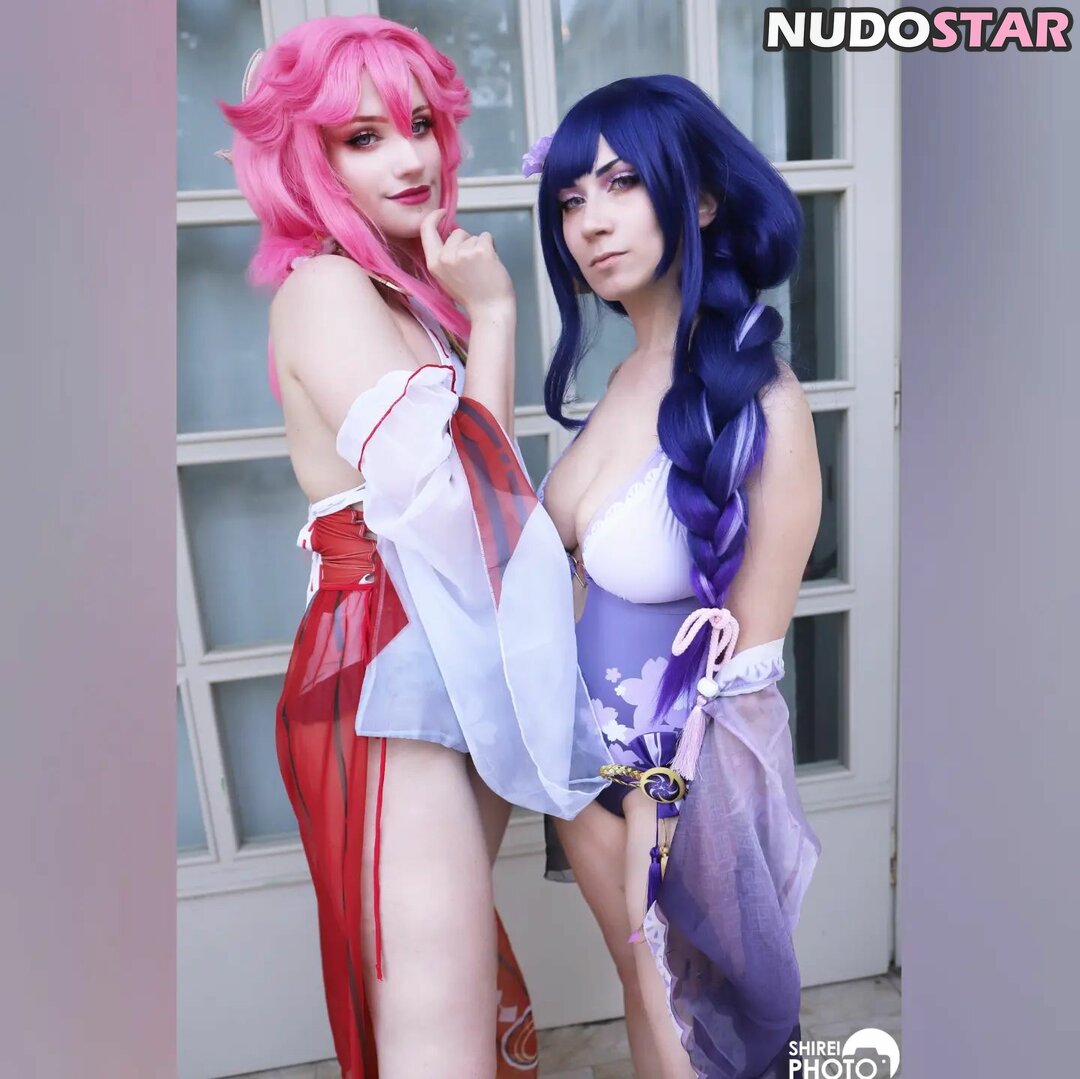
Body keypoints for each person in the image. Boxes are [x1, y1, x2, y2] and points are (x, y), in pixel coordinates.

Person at [221, 17, 609, 1078]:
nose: (410, 157)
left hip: (439, 644)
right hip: (384, 655)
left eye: (422, 125)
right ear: (306, 157)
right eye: (364, 137)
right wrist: (497, 318)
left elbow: (485, 496)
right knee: (437, 1026)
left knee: (450, 992)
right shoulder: (325, 288)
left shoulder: (399, 293)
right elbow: (457, 506)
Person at [528, 75, 823, 1078]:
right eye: (571, 198)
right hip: (581, 768)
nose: (590, 221)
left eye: (620, 184)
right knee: (640, 995)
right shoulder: (620, 379)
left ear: (698, 200)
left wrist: (667, 810)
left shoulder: (762, 404)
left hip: (675, 785)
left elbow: (749, 675)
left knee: (693, 1021)